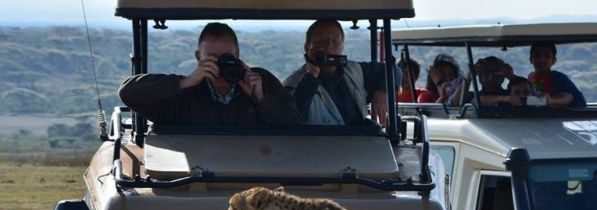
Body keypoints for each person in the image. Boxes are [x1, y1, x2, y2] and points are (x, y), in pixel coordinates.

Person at [119, 22, 301, 126]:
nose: (221, 64)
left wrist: (261, 100)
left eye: (227, 57)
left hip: (253, 168)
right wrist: (185, 82)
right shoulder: (184, 95)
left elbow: (294, 125)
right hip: (199, 176)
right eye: (212, 58)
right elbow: (128, 93)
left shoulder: (261, 81)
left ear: (237, 55)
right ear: (199, 57)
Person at [284, 20, 399, 126]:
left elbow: (394, 70)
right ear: (307, 47)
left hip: (359, 143)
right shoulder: (293, 84)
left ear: (342, 46)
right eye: (322, 41)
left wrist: (383, 92)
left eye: (335, 41)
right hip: (318, 145)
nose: (329, 46)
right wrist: (312, 75)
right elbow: (293, 119)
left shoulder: (355, 71)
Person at [527, 41, 587, 108]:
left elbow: (570, 97)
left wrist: (551, 100)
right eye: (537, 56)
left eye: (547, 56)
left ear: (554, 60)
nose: (542, 59)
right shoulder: (530, 78)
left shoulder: (558, 78)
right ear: (530, 59)